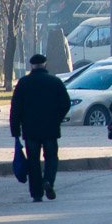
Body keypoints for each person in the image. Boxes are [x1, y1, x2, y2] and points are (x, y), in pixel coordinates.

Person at [9, 53, 70, 202]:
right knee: (51, 157)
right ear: (45, 64)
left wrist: (15, 129)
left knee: (33, 161)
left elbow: (15, 108)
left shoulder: (23, 83)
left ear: (32, 66)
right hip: (51, 128)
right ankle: (48, 180)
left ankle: (36, 193)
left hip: (30, 130)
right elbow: (66, 103)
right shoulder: (55, 82)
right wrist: (57, 118)